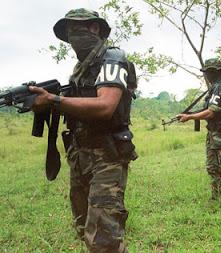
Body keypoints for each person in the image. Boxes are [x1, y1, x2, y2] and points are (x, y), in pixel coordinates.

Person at [29, 8, 137, 253]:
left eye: (78, 28)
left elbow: (106, 105)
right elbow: (74, 108)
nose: (73, 35)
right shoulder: (80, 69)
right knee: (83, 227)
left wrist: (54, 100)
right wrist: (41, 105)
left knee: (104, 240)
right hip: (80, 155)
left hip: (107, 155)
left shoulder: (113, 58)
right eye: (69, 30)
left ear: (95, 29)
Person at [178, 58, 221, 202]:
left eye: (208, 72)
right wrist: (189, 115)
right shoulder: (214, 88)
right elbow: (206, 110)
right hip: (213, 133)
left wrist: (189, 118)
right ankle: (215, 197)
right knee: (212, 168)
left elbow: (211, 112)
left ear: (215, 72)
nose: (206, 75)